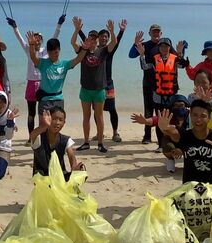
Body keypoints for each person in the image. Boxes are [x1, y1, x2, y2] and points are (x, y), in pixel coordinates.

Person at [5, 14, 65, 138]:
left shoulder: (45, 51)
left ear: (42, 41)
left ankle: (45, 135)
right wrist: (15, 27)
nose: (37, 40)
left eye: (39, 39)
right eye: (35, 38)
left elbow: (55, 37)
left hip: (43, 85)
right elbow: (20, 38)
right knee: (31, 113)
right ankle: (30, 137)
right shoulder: (29, 49)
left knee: (44, 114)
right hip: (31, 84)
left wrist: (59, 24)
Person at [73, 18, 125, 153]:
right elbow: (74, 42)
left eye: (95, 39)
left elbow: (114, 43)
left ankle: (103, 141)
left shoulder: (103, 51)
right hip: (86, 89)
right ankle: (86, 142)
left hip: (101, 88)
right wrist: (77, 30)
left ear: (97, 40)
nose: (93, 40)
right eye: (91, 38)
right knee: (87, 116)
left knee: (102, 114)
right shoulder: (83, 51)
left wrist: (114, 31)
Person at [157, 101, 212, 185]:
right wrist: (163, 127)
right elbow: (172, 132)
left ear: (209, 117)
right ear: (190, 115)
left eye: (203, 116)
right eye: (195, 115)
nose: (198, 120)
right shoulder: (185, 136)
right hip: (190, 188)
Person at [134, 33, 188, 150]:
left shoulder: (174, 59)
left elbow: (183, 65)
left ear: (169, 47)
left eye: (166, 46)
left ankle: (173, 141)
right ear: (159, 48)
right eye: (162, 46)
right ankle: (160, 144)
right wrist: (142, 55)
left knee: (173, 119)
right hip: (158, 94)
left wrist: (180, 53)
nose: (164, 48)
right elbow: (144, 67)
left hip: (172, 94)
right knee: (160, 120)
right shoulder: (155, 59)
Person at [28, 32, 90, 116]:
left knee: (57, 123)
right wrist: (32, 45)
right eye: (51, 53)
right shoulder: (42, 63)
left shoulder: (64, 64)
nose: (54, 55)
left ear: (59, 50)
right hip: (45, 99)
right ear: (48, 52)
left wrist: (85, 49)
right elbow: (33, 57)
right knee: (44, 123)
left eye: (56, 52)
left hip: (58, 99)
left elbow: (77, 59)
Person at [131, 94, 189, 173]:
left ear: (186, 106)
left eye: (181, 105)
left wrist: (183, 150)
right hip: (172, 140)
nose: (179, 108)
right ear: (172, 107)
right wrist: (145, 121)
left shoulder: (191, 115)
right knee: (167, 144)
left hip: (188, 142)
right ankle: (170, 159)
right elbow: (156, 119)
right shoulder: (168, 115)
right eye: (176, 106)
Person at [129, 23, 163, 144]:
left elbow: (176, 59)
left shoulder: (165, 45)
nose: (156, 33)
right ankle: (147, 136)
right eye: (153, 31)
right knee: (148, 110)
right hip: (148, 83)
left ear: (161, 33)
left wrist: (181, 51)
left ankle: (161, 138)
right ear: (149, 33)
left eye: (158, 31)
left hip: (161, 85)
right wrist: (135, 44)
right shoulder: (145, 45)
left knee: (160, 112)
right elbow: (131, 55)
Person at [30, 107, 85, 180]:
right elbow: (32, 135)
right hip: (41, 178)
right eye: (54, 119)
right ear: (49, 119)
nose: (57, 122)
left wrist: (75, 169)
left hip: (59, 177)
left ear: (64, 123)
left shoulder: (66, 140)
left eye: (60, 120)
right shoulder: (39, 138)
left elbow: (72, 158)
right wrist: (45, 125)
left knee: (81, 175)